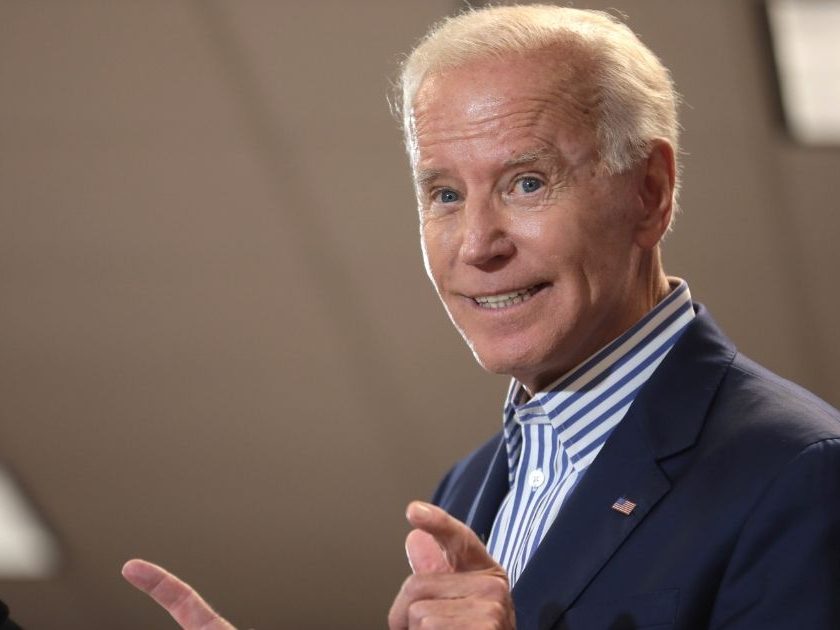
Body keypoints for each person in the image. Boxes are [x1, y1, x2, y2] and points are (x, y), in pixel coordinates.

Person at [123, 5, 840, 629]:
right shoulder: (462, 490)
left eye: (526, 183)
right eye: (442, 195)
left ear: (649, 194)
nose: (476, 244)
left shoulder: (800, 473)